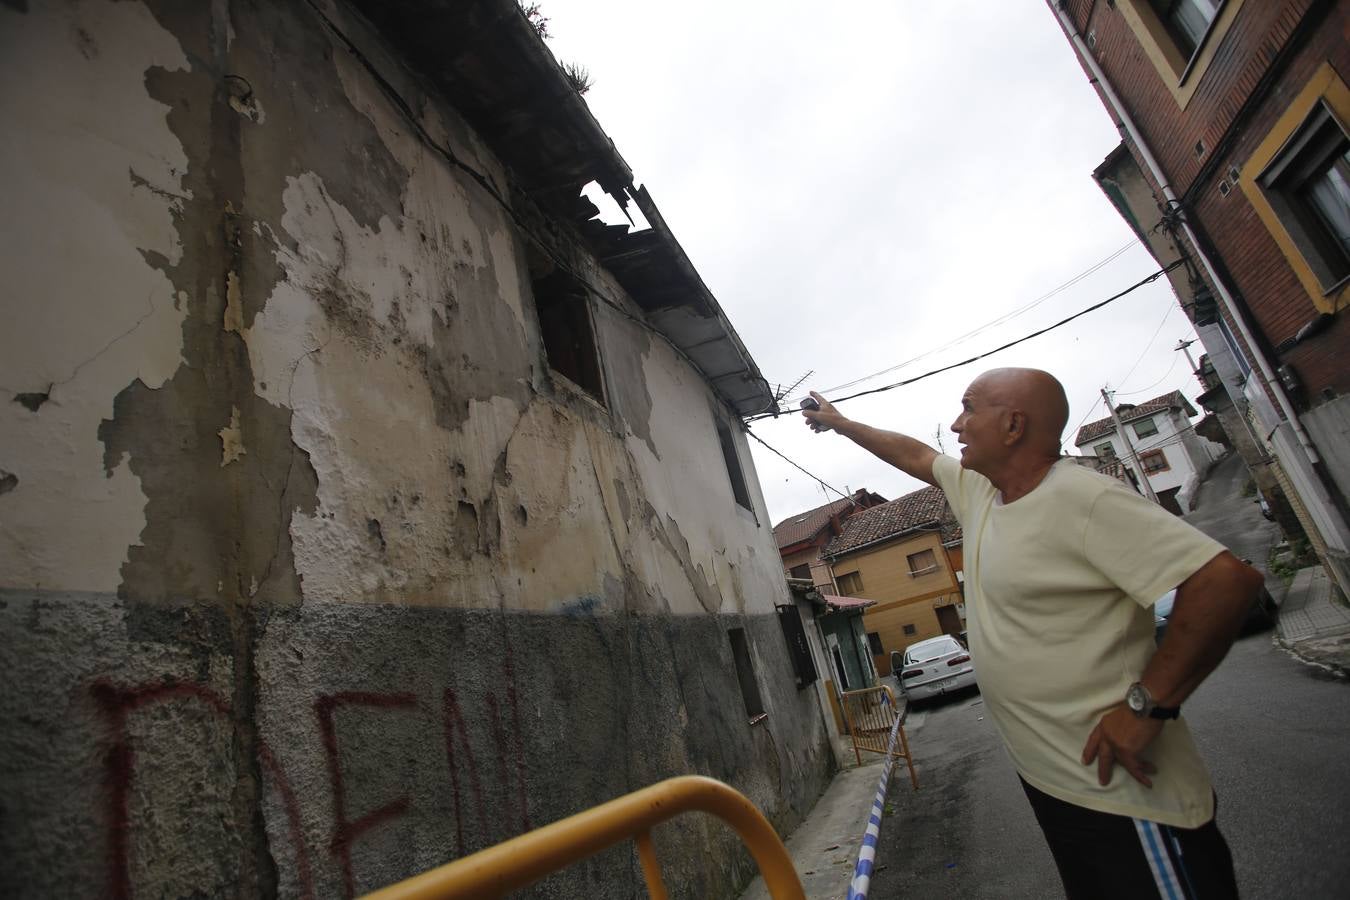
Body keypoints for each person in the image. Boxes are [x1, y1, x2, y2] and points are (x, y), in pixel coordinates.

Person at [803, 368, 1262, 900]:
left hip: (1122, 796)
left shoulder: (1083, 498)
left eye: (969, 409)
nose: (956, 425)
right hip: (1057, 787)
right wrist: (840, 424)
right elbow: (914, 455)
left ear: (1013, 425)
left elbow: (1226, 582)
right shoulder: (980, 493)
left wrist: (1147, 707)